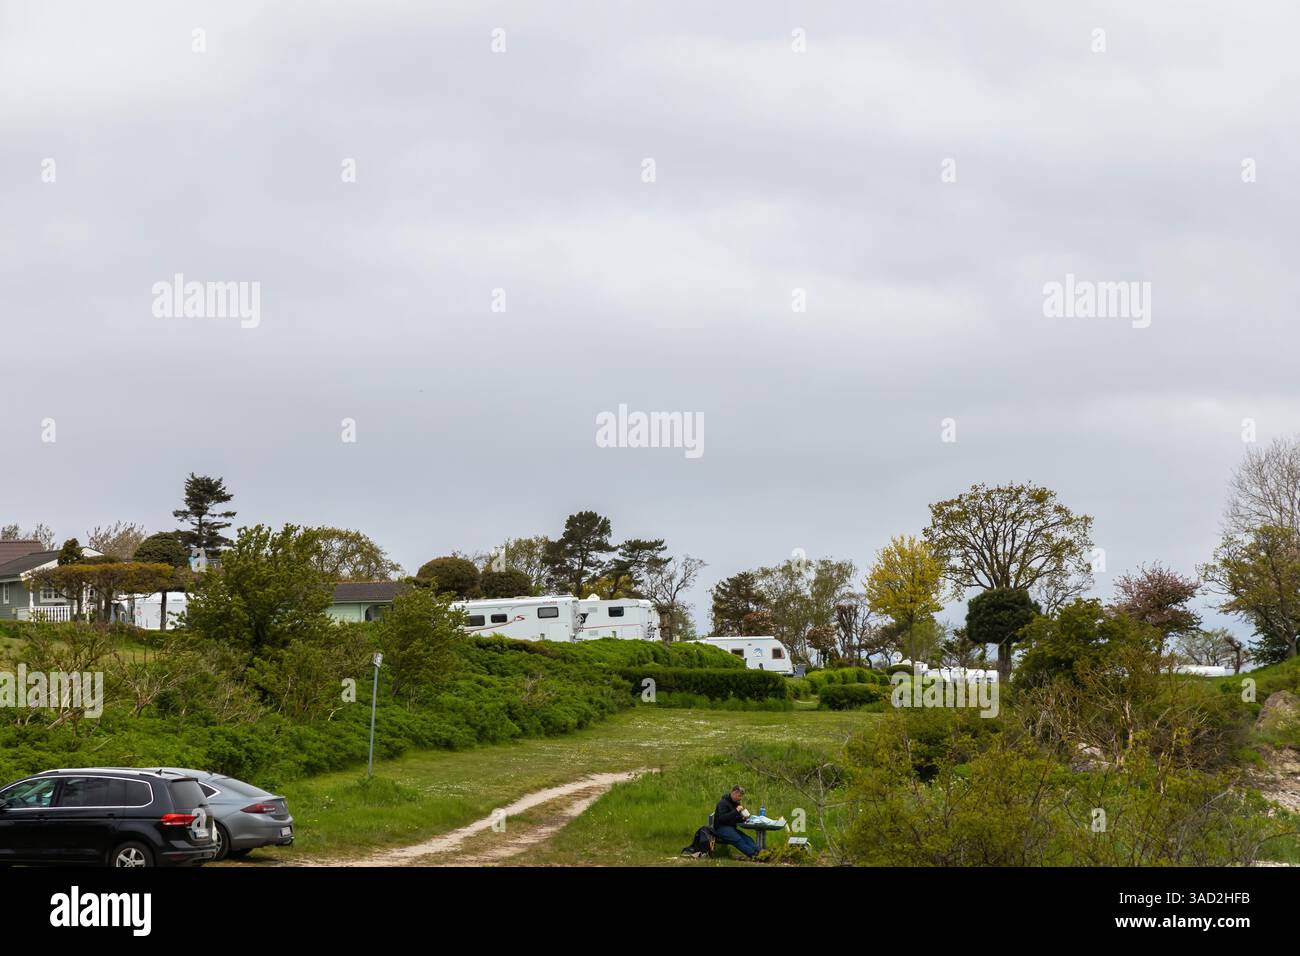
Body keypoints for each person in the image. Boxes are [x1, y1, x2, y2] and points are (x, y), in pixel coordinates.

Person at [713, 785, 759, 859]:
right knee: (738, 840)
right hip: (721, 828)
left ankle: (760, 852)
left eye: (741, 797)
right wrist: (736, 811)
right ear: (733, 793)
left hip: (731, 828)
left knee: (747, 838)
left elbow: (735, 818)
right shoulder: (722, 803)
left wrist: (743, 818)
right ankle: (754, 855)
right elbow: (722, 818)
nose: (740, 798)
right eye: (739, 796)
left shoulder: (736, 803)